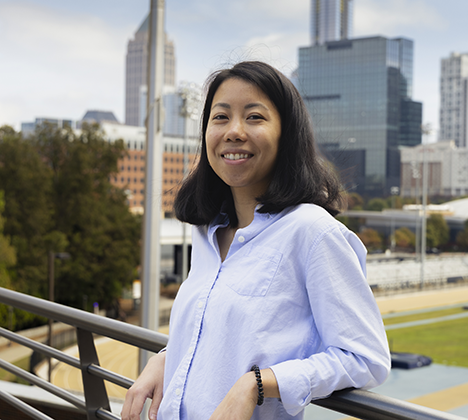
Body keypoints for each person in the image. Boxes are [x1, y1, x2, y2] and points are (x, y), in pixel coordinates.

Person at [121, 61, 390, 420]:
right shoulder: (206, 232)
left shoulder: (312, 231)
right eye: (220, 117)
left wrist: (259, 384)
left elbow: (365, 358)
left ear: (286, 135)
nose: (234, 131)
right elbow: (223, 330)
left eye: (254, 117)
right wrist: (167, 359)